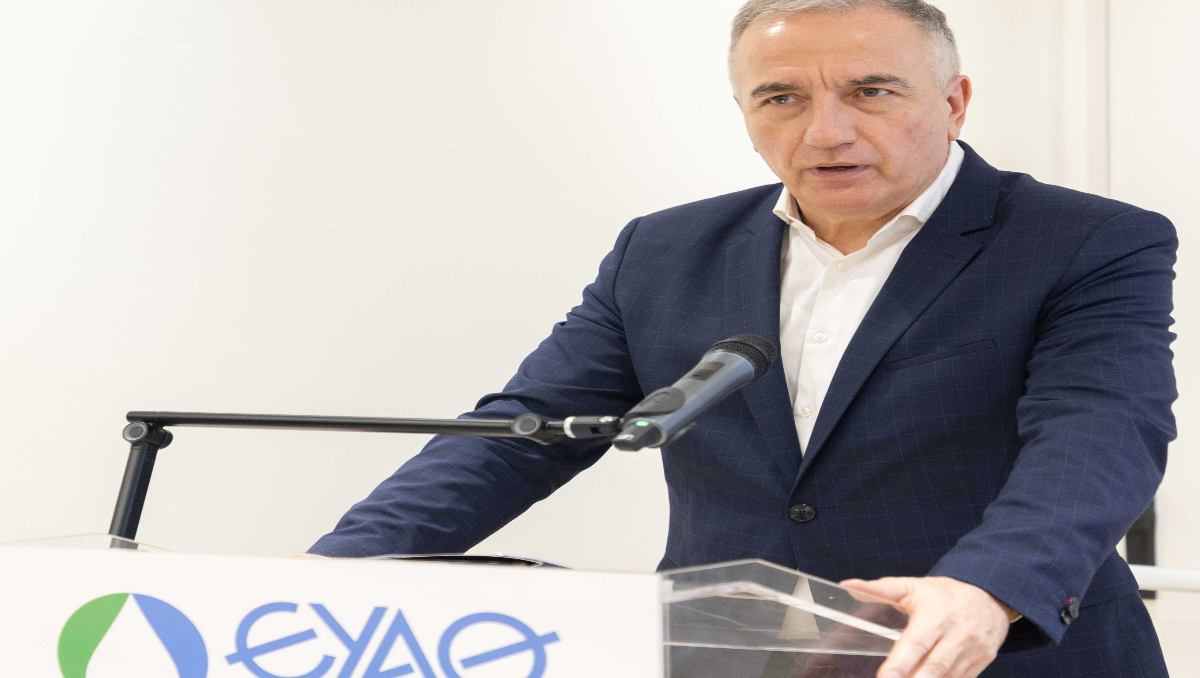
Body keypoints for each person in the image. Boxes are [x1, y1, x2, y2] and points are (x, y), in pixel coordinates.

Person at [309, 1, 1177, 675]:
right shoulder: (664, 250)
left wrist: (987, 586)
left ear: (954, 102)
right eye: (782, 98)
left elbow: (1097, 433)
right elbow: (520, 434)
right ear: (744, 110)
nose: (826, 131)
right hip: (729, 655)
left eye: (871, 91)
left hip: (988, 654)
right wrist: (329, 574)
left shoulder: (1086, 241)